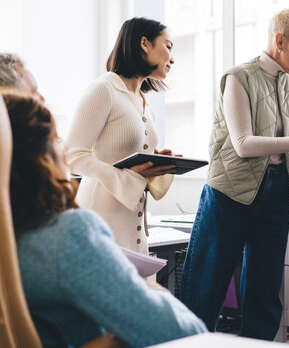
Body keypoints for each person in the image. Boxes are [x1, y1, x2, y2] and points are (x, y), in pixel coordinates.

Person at [179, 8, 289, 340]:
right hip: (229, 192)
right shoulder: (238, 77)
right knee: (206, 285)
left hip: (278, 192)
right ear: (280, 40)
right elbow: (243, 144)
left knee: (265, 291)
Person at [2, 90, 207, 348]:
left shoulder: (12, 239)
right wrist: (151, 290)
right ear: (42, 158)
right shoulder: (67, 236)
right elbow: (183, 332)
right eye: (57, 139)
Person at [65, 17, 177, 254]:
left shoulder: (145, 104)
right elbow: (73, 154)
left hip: (133, 219)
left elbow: (130, 162)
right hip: (101, 215)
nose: (172, 58)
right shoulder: (104, 89)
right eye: (168, 46)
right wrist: (128, 176)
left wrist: (154, 161)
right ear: (144, 44)